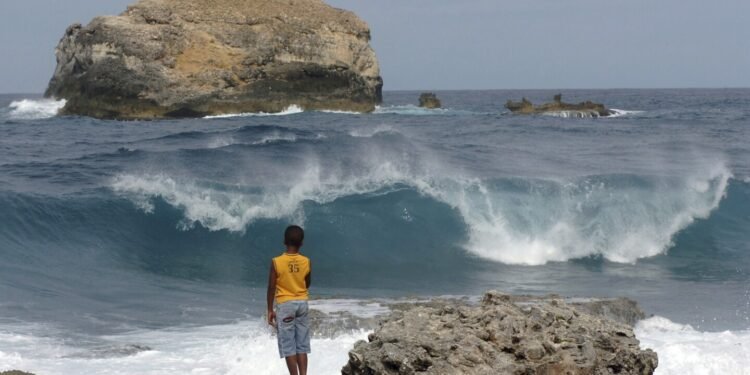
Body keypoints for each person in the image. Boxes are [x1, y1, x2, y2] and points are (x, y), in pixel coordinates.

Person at [267, 225, 312, 375]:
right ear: (302, 243)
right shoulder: (306, 261)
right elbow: (307, 283)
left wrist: (269, 310)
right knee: (302, 345)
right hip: (302, 304)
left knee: (289, 346)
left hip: (285, 305)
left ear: (284, 241)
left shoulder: (276, 262)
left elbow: (271, 287)